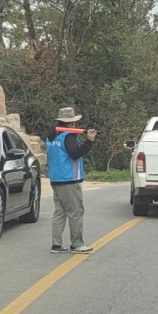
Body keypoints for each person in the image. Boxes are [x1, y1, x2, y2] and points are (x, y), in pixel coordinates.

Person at [45, 107, 97, 253]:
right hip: (69, 179)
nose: (74, 125)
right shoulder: (69, 136)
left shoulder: (51, 136)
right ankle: (77, 244)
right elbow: (75, 153)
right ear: (68, 123)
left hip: (56, 179)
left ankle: (56, 245)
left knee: (59, 212)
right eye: (73, 122)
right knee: (76, 212)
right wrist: (89, 142)